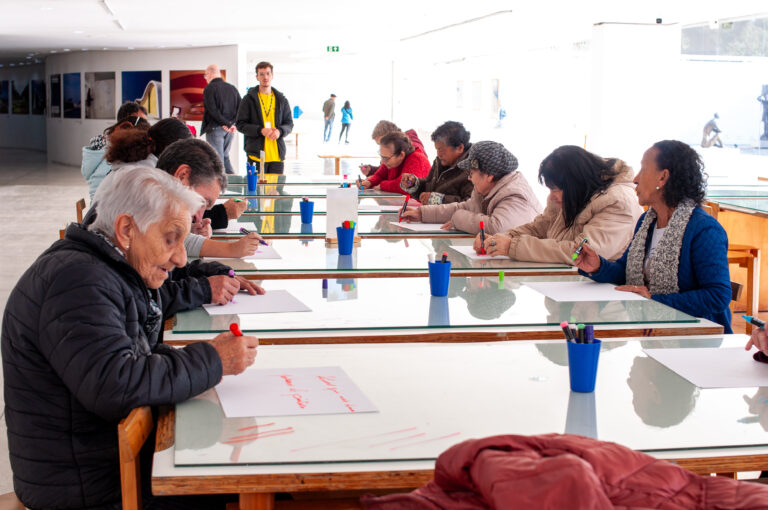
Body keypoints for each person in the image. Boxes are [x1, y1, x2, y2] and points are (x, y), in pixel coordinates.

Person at [2, 166, 259, 509]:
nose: (181, 257)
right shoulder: (78, 282)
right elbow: (116, 384)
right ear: (126, 230)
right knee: (253, 482)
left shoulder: (106, 269)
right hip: (87, 489)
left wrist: (203, 361)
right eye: (170, 239)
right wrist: (213, 360)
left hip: (98, 465)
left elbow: (130, 356)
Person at [575, 140, 732, 333]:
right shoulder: (647, 221)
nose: (635, 179)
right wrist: (598, 266)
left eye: (643, 169)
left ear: (663, 177)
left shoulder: (704, 229)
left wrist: (654, 300)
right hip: (654, 331)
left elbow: (718, 296)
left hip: (697, 336)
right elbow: (626, 272)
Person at [477, 145, 642, 264]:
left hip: (602, 296)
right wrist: (503, 238)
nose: (551, 197)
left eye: (555, 189)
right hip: (566, 285)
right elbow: (541, 227)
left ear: (575, 184)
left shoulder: (618, 203)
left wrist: (512, 247)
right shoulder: (570, 194)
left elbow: (580, 252)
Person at [157, 138, 265, 261]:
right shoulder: (144, 209)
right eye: (201, 202)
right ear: (183, 175)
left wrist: (189, 229)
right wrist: (232, 249)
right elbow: (170, 240)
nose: (199, 218)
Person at [401, 141, 541, 234]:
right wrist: (422, 214)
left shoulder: (514, 195)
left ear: (489, 175)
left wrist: (457, 218)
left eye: (471, 173)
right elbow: (465, 207)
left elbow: (496, 227)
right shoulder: (487, 188)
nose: (469, 178)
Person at [236, 61, 293, 174]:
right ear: (257, 77)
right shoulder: (248, 99)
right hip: (256, 156)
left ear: (272, 75)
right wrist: (260, 130)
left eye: (268, 73)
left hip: (277, 157)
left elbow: (289, 123)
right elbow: (240, 124)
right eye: (261, 74)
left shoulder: (281, 100)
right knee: (256, 186)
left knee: (276, 186)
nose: (265, 77)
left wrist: (280, 131)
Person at [81, 103, 148, 199]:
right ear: (127, 123)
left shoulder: (100, 145)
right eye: (141, 123)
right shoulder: (119, 150)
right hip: (105, 204)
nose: (144, 128)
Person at [400, 120, 473, 205]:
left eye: (442, 150)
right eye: (437, 150)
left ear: (460, 148)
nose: (438, 154)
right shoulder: (440, 161)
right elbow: (428, 187)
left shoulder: (473, 169)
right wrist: (412, 184)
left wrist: (438, 200)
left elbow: (471, 204)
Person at [359, 131, 430, 194]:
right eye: (381, 156)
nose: (382, 161)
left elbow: (405, 185)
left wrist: (382, 185)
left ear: (401, 155)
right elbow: (380, 175)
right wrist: (369, 182)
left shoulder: (416, 159)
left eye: (386, 158)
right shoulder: (390, 161)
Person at [201, 64, 241, 175]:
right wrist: (231, 124)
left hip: (215, 128)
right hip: (230, 130)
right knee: (225, 156)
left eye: (205, 75)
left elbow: (212, 110)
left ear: (209, 74)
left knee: (217, 159)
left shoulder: (209, 88)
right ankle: (234, 183)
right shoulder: (232, 88)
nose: (205, 78)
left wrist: (226, 123)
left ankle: (221, 185)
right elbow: (241, 108)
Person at [359, 120, 426, 177]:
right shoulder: (392, 151)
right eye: (379, 145)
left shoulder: (412, 146)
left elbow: (406, 179)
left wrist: (380, 184)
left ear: (391, 136)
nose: (382, 147)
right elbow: (388, 169)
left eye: (383, 143)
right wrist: (371, 170)